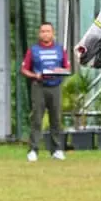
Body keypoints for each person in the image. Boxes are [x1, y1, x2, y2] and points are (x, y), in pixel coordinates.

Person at [21, 22, 70, 162]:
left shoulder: (60, 50)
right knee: (36, 119)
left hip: (55, 87)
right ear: (39, 34)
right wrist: (34, 76)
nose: (45, 34)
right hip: (39, 87)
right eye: (42, 31)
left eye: (48, 31)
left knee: (56, 119)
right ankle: (33, 150)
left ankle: (57, 150)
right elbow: (24, 69)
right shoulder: (33, 50)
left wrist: (59, 71)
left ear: (52, 33)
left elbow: (67, 67)